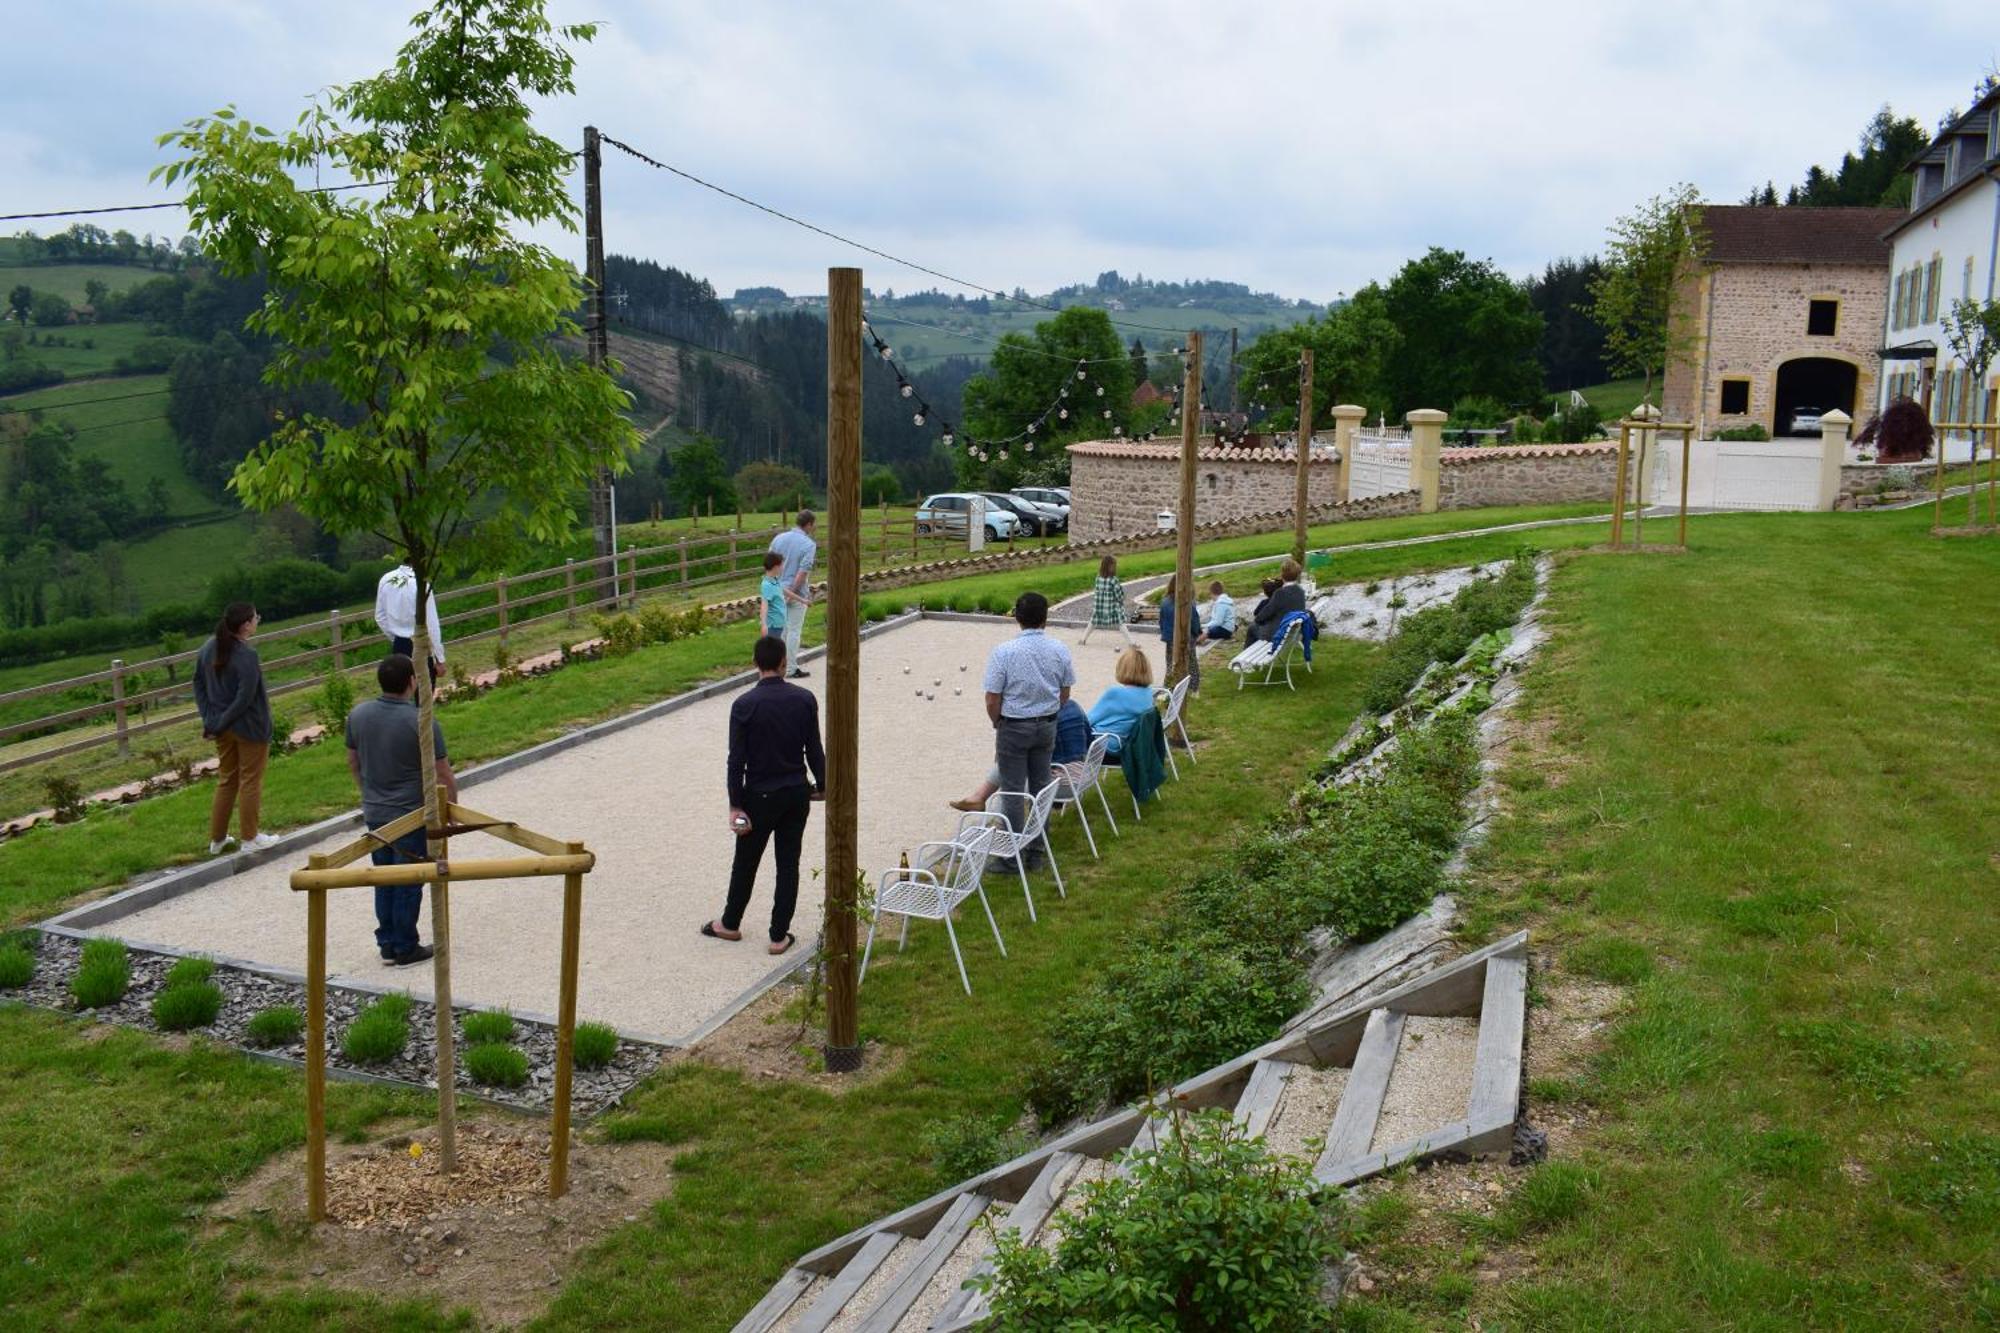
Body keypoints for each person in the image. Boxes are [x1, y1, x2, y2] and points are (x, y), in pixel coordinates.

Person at [705, 635, 826, 954]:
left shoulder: (744, 705)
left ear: (755, 664)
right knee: (788, 863)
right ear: (784, 663)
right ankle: (778, 935)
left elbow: (736, 760)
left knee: (745, 862)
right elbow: (814, 749)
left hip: (758, 795)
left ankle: (730, 923)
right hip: (795, 792)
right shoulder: (805, 699)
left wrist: (735, 805)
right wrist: (823, 785)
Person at [345, 654, 458, 966]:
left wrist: (367, 790)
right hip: (410, 812)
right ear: (412, 681)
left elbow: (353, 761)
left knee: (384, 877)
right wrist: (451, 807)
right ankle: (406, 944)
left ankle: (388, 942)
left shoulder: (358, 715)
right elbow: (442, 772)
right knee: (409, 879)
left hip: (376, 811)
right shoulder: (421, 721)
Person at [981, 592, 1076, 873]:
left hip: (1014, 725)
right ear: (1045, 618)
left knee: (1012, 792)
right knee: (1040, 787)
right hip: (1046, 724)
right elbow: (1066, 691)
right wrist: (1048, 712)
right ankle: (1036, 852)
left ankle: (1011, 858)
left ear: (1018, 618)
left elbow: (992, 697)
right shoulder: (1059, 649)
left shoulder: (1004, 652)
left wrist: (998, 722)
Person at [194, 602, 278, 855]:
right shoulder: (246, 655)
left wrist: (211, 719)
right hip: (249, 726)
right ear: (245, 625)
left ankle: (218, 840)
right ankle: (250, 838)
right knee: (250, 780)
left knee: (227, 780)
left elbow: (198, 683)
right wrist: (219, 720)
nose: (257, 621)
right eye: (255, 618)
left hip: (222, 727)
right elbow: (245, 697)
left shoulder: (208, 647)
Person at [950, 697, 1090, 812]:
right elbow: (1090, 741)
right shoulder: (1074, 706)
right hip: (1084, 776)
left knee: (1010, 775)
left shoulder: (1046, 717)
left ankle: (1002, 828)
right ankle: (979, 798)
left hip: (1060, 786)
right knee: (1012, 761)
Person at [375, 561, 446, 682]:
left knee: (401, 688)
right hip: (420, 643)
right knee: (424, 691)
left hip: (399, 645)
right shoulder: (421, 584)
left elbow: (380, 617)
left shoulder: (386, 580)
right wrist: (439, 659)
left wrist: (396, 637)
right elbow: (431, 624)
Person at [768, 510, 817, 679]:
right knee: (794, 630)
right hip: (796, 592)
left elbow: (769, 565)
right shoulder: (808, 544)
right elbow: (802, 572)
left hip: (776, 589)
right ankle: (790, 668)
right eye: (813, 524)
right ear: (809, 524)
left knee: (780, 630)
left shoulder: (778, 539)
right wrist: (793, 593)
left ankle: (776, 667)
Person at [1086, 646, 1158, 755]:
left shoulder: (1115, 693)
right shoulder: (1148, 693)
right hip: (1126, 745)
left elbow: (1088, 720)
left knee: (1070, 715)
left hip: (1106, 747)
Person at [1156, 574, 1204, 694]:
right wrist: (1198, 632)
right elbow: (1194, 621)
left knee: (1170, 663)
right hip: (1187, 638)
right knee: (1191, 662)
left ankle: (1168, 689)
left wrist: (1164, 633)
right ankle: (1194, 689)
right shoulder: (1188, 601)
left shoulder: (1165, 602)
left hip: (1170, 638)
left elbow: (1161, 621)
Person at [1079, 554, 1133, 646]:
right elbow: (1118, 594)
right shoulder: (1113, 580)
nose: (1115, 568)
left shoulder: (1098, 578)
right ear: (1109, 567)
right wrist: (1121, 599)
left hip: (1099, 606)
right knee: (1121, 623)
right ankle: (1132, 643)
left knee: (1093, 622)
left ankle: (1083, 639)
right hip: (1112, 607)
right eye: (1114, 566)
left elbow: (1096, 592)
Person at [1248, 559, 1307, 644]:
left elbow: (1263, 615)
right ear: (1297, 575)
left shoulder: (1280, 593)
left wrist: (1259, 620)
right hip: (1293, 632)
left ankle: (1246, 656)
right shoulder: (1300, 591)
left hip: (1277, 634)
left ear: (1282, 575)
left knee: (1252, 627)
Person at [759, 551, 788, 640]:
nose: (783, 568)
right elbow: (764, 605)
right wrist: (764, 625)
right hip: (773, 626)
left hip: (779, 624)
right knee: (770, 651)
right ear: (776, 567)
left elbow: (784, 591)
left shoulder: (775, 580)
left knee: (774, 650)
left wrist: (802, 600)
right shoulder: (767, 585)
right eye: (781, 565)